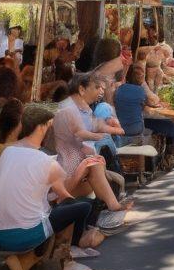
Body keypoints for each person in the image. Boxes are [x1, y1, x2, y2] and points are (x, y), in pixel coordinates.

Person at [0, 101, 104, 270]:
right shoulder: (45, 161)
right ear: (41, 127)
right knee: (81, 206)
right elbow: (64, 197)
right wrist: (82, 169)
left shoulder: (7, 153)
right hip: (27, 234)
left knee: (58, 211)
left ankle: (28, 259)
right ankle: (65, 260)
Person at [51, 74, 130, 228]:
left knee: (96, 162)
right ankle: (111, 205)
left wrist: (110, 128)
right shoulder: (68, 110)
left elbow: (93, 127)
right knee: (95, 163)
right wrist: (101, 135)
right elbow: (80, 135)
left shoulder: (82, 108)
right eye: (96, 87)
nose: (99, 91)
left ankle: (110, 205)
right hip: (67, 170)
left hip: (74, 165)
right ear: (81, 89)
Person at [114, 61, 174, 166]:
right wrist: (143, 83)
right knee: (170, 125)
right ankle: (169, 156)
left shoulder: (119, 90)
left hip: (120, 128)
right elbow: (153, 101)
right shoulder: (140, 91)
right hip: (136, 128)